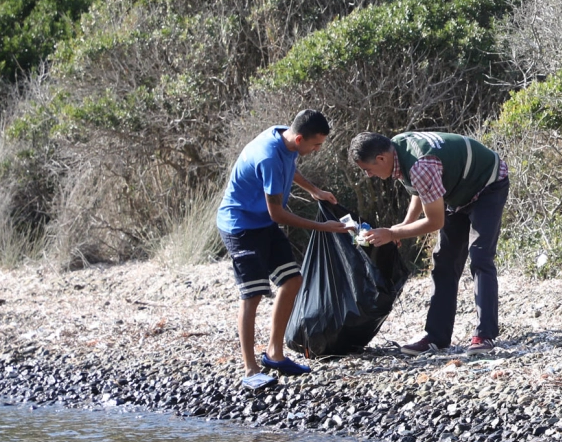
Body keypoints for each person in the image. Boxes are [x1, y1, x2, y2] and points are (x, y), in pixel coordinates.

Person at [348, 129, 509, 356]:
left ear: (381, 158)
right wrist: (402, 226)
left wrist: (393, 234)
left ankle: (485, 334)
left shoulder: (420, 163)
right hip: (457, 192)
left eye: (368, 169)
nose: (369, 175)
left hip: (487, 184)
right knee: (444, 260)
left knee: (480, 256)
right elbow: (420, 190)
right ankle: (436, 337)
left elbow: (435, 221)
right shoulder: (398, 150)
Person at [215, 109, 346, 383]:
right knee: (252, 295)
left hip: (262, 223)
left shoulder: (283, 134)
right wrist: (322, 227)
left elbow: (290, 167)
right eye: (316, 145)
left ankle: (274, 354)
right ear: (299, 139)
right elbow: (278, 214)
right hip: (240, 226)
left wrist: (314, 190)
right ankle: (251, 370)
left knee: (292, 281)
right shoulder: (268, 156)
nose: (318, 149)